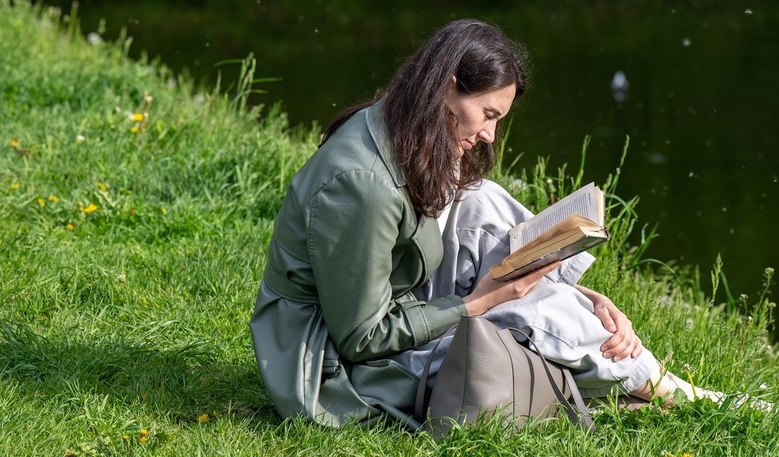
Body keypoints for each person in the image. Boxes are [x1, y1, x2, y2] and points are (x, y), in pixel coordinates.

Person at [249, 19, 713, 429]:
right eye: (488, 115)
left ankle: (606, 345)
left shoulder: (405, 127)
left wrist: (588, 299)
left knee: (478, 200)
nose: (490, 133)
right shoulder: (361, 187)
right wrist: (477, 303)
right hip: (327, 367)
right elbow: (361, 338)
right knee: (511, 312)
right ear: (448, 87)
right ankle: (667, 390)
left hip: (383, 302)